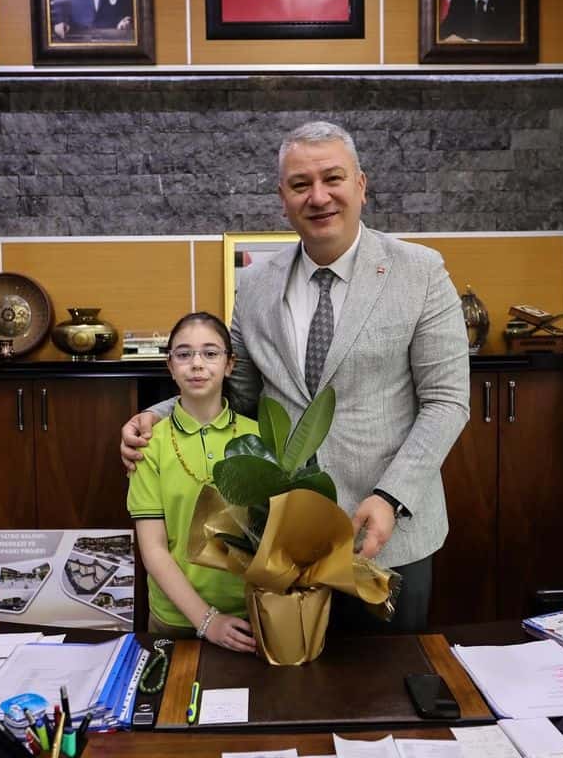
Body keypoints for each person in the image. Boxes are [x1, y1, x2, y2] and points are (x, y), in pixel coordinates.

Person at [122, 122, 470, 634]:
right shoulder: (255, 284)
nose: (319, 196)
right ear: (283, 197)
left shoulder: (420, 272)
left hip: (386, 534)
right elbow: (237, 391)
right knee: (295, 676)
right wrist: (156, 415)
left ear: (361, 185)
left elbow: (447, 401)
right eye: (301, 184)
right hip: (282, 539)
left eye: (333, 178)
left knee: (388, 678)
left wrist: (391, 496)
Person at [127, 312, 258, 652]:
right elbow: (153, 548)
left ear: (230, 364)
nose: (197, 364)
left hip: (250, 615)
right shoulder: (148, 444)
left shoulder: (258, 437)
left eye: (210, 353)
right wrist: (206, 620)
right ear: (170, 366)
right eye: (184, 354)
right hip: (175, 619)